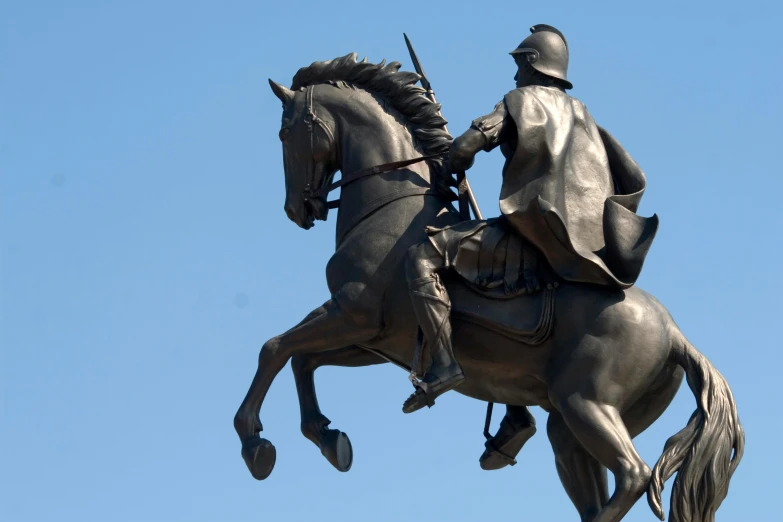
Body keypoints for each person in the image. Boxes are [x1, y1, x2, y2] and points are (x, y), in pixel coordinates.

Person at [403, 24, 658, 415]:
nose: (515, 74)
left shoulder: (520, 100)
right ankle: (515, 415)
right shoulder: (583, 114)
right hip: (585, 246)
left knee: (422, 257)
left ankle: (444, 363)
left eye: (519, 65)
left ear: (533, 63)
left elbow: (469, 146)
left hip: (532, 234)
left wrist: (452, 158)